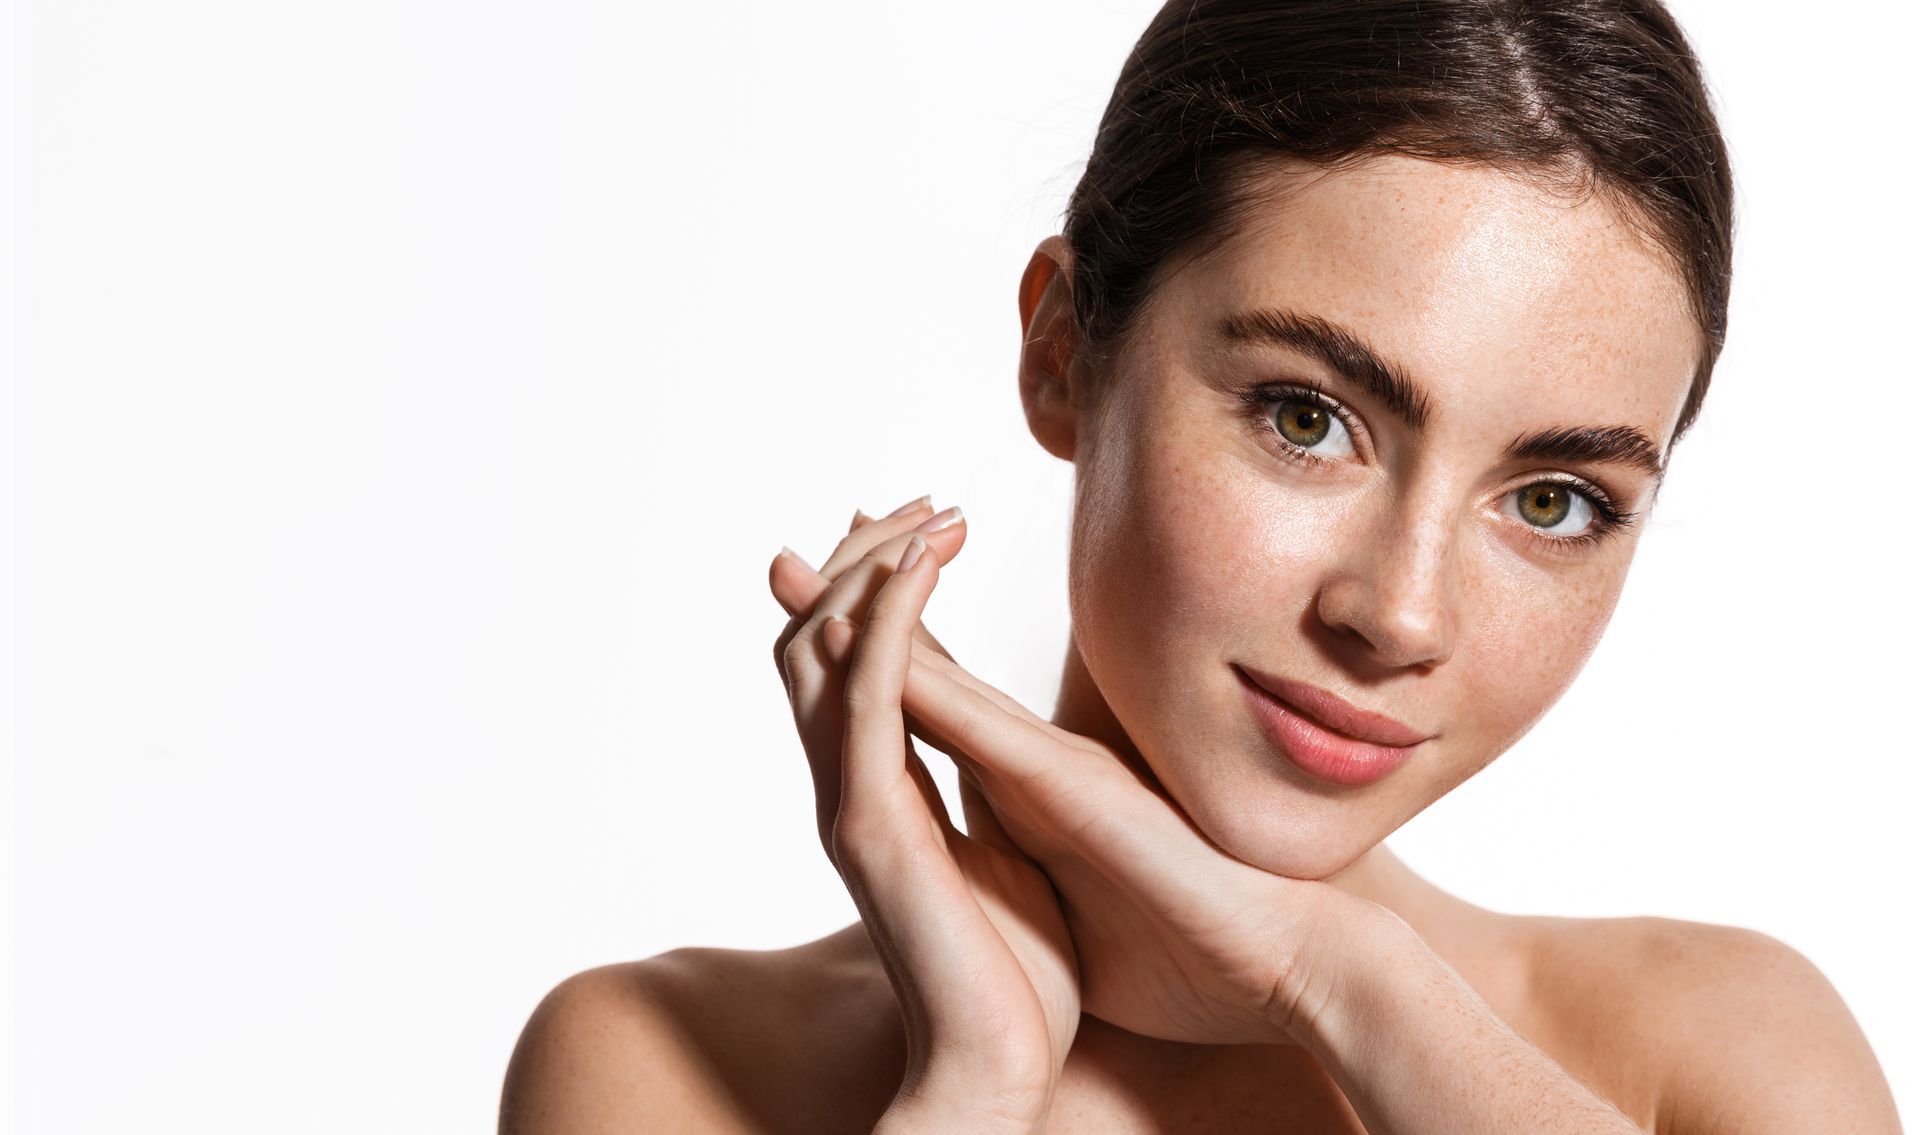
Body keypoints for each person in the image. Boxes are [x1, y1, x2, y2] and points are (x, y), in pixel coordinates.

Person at [498, 1, 1902, 1131]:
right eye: (1309, 419)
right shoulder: (669, 1076)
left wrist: (1343, 982)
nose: (1399, 615)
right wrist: (977, 1090)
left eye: (1553, 501)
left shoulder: (1722, 1057)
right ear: (1064, 353)